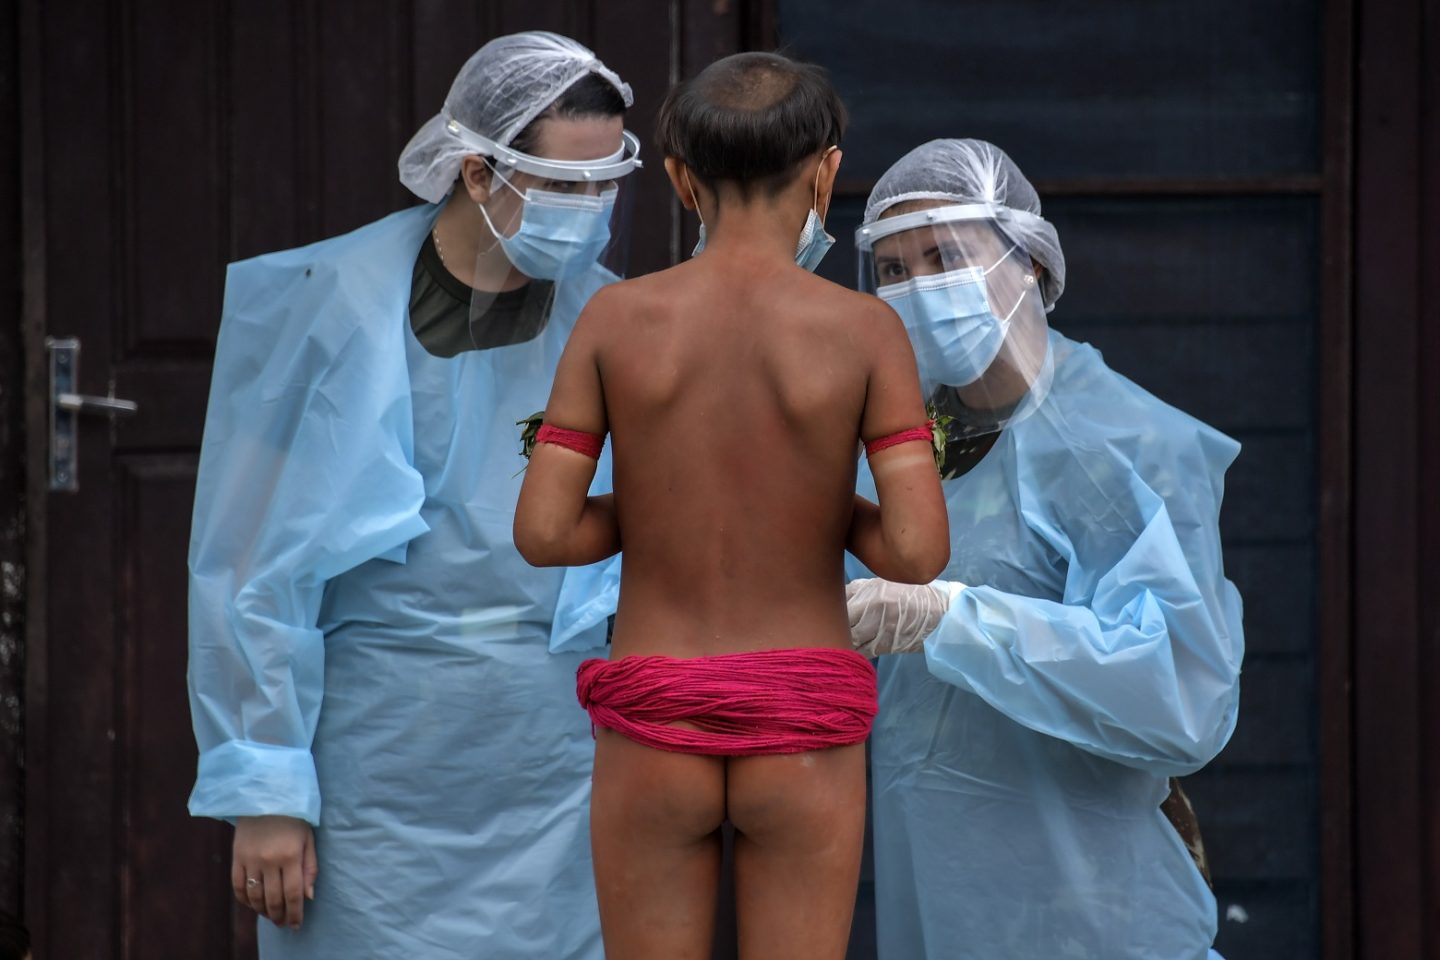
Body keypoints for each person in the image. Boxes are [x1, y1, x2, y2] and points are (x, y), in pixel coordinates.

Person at [185, 32, 642, 959]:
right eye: (565, 186)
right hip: (375, 754)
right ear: (477, 172)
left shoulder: (616, 321)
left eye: (606, 185)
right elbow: (249, 560)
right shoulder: (332, 301)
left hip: (552, 756)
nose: (590, 212)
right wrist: (265, 782)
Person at [512, 52, 949, 960]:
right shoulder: (868, 332)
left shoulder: (615, 322)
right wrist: (823, 507)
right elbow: (914, 553)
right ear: (827, 172)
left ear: (678, 180)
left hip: (652, 714)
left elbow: (546, 532)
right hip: (805, 726)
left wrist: (654, 505)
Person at [845, 138, 1245, 959]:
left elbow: (1183, 696)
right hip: (938, 900)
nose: (921, 288)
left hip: (1098, 915)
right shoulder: (890, 448)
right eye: (893, 270)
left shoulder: (1123, 442)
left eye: (946, 255)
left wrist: (949, 619)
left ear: (1027, 259)